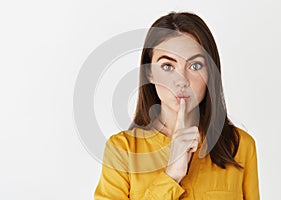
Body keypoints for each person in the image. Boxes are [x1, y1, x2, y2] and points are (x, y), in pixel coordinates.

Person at [94, 11, 260, 200]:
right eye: (167, 66)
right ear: (149, 73)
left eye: (195, 66)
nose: (182, 80)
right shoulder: (121, 150)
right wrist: (172, 174)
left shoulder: (240, 146)